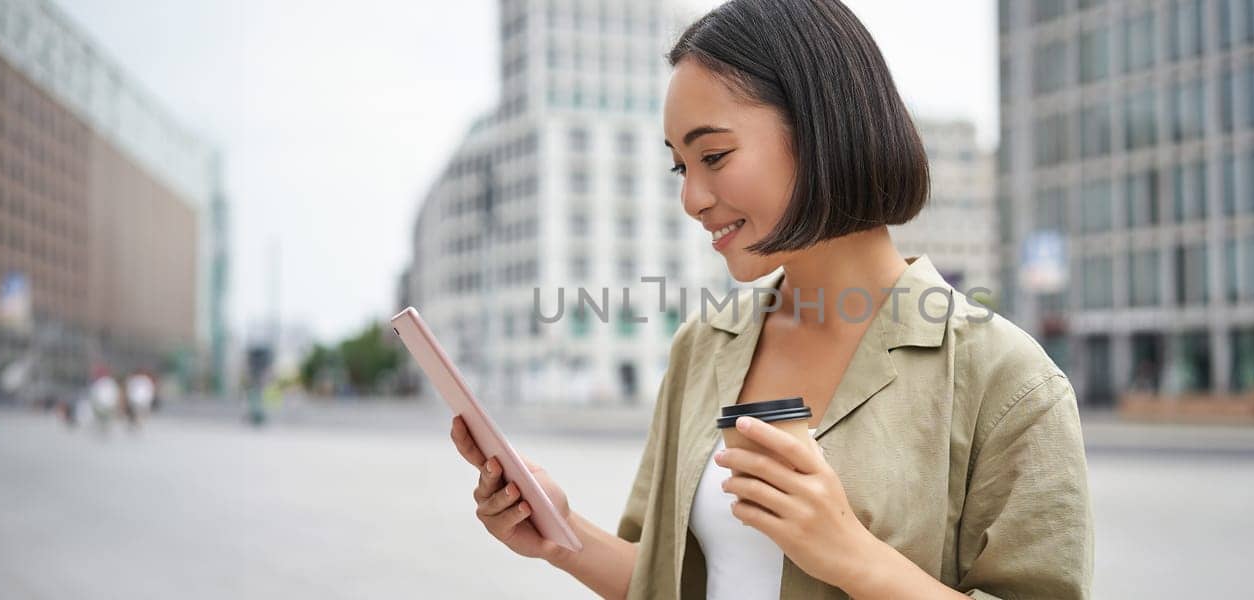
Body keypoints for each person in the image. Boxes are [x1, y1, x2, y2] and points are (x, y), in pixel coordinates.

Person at [447, 1, 1092, 598]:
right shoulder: (704, 346)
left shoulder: (1007, 380)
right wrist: (563, 535)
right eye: (680, 166)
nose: (691, 197)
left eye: (715, 155)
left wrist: (849, 553)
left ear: (822, 128)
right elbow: (664, 579)